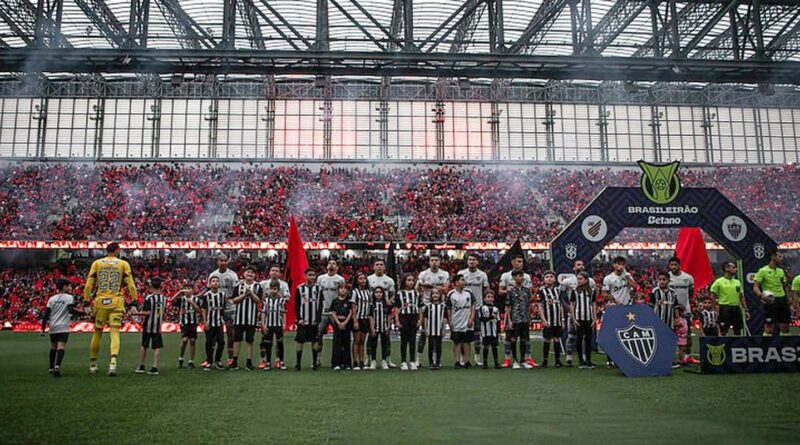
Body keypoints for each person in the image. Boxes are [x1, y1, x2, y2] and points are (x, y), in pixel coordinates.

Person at [83, 242, 138, 376]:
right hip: (116, 302)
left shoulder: (97, 263)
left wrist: (86, 302)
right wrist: (134, 301)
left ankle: (93, 364)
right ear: (117, 250)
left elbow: (88, 286)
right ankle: (113, 363)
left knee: (97, 332)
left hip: (100, 302)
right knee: (114, 332)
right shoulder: (123, 264)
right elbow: (131, 286)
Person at [40, 278, 84, 377]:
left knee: (53, 347)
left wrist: (43, 328)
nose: (70, 288)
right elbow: (71, 310)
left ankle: (51, 367)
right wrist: (83, 313)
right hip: (63, 326)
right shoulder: (68, 298)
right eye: (69, 286)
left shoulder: (52, 299)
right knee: (61, 347)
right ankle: (57, 366)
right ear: (64, 287)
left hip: (53, 326)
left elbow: (46, 314)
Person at [498, 254, 534, 368]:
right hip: (514, 316)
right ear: (513, 262)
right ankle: (511, 359)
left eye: (522, 261)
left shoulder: (527, 280)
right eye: (518, 261)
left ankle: (525, 359)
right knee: (511, 338)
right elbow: (502, 295)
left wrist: (529, 316)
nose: (521, 263)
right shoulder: (506, 278)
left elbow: (529, 299)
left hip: (524, 316)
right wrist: (508, 320)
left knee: (525, 338)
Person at [559, 259, 595, 368]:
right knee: (571, 336)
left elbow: (593, 300)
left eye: (582, 264)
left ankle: (585, 359)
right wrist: (567, 307)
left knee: (585, 338)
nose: (581, 266)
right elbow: (560, 294)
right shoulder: (568, 281)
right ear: (574, 268)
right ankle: (569, 359)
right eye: (578, 264)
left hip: (587, 315)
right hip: (574, 314)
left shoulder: (591, 282)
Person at [415, 254, 450, 366]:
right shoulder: (423, 274)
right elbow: (417, 287)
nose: (434, 262)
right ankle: (418, 359)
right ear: (429, 262)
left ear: (440, 262)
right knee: (424, 334)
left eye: (436, 260)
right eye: (432, 260)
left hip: (440, 307)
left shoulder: (444, 274)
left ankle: (435, 360)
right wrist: (426, 285)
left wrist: (430, 286)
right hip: (426, 306)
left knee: (437, 334)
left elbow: (445, 290)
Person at [458, 253, 490, 366]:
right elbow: (457, 289)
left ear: (477, 262)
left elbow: (486, 290)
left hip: (478, 308)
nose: (471, 261)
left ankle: (477, 357)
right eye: (470, 259)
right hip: (464, 308)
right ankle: (463, 358)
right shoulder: (461, 273)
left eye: (473, 260)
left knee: (477, 333)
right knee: (463, 333)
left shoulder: (482, 275)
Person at [229, 266, 263, 371]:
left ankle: (249, 362)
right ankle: (234, 361)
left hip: (251, 318)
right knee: (237, 339)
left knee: (249, 340)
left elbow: (258, 301)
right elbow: (234, 300)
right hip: (239, 317)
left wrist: (251, 293)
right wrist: (244, 295)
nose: (250, 274)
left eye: (252, 273)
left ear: (255, 275)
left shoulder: (258, 286)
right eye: (248, 272)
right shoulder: (238, 286)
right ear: (244, 274)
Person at [208, 254, 239, 366]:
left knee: (231, 332)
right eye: (221, 260)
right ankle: (211, 359)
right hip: (216, 308)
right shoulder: (213, 275)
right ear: (217, 262)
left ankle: (231, 357)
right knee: (214, 334)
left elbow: (236, 290)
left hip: (230, 307)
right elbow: (209, 289)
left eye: (225, 261)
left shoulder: (232, 275)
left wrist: (231, 299)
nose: (223, 262)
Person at [259, 264, 290, 368]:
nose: (274, 272)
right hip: (267, 316)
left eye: (277, 271)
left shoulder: (284, 284)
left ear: (280, 273)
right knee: (264, 340)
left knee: (279, 342)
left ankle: (278, 360)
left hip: (278, 318)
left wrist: (280, 298)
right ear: (269, 272)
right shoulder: (263, 283)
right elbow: (259, 296)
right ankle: (264, 360)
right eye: (272, 270)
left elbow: (287, 298)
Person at [368, 259, 397, 368]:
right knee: (371, 337)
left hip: (384, 310)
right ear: (373, 267)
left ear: (384, 267)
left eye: (381, 265)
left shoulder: (389, 280)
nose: (379, 266)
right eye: (377, 264)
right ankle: (370, 359)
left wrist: (390, 301)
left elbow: (393, 293)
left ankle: (387, 359)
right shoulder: (369, 279)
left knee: (386, 337)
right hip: (372, 309)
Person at [134, 277, 166, 376]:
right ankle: (155, 366)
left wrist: (137, 313)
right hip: (157, 325)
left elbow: (147, 312)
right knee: (156, 347)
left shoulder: (149, 298)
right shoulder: (163, 298)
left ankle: (142, 365)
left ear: (151, 286)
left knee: (144, 345)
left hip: (148, 325)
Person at [317, 260, 345, 367]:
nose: (331, 265)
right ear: (326, 266)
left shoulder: (340, 279)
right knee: (318, 334)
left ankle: (339, 359)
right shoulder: (321, 278)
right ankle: (318, 358)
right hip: (323, 311)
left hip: (335, 313)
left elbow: (342, 294)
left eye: (334, 264)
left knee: (338, 336)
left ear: (337, 267)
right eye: (330, 263)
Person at [754, 251, 790, 336]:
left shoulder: (781, 271)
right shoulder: (762, 271)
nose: (781, 259)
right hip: (770, 301)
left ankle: (784, 347)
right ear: (773, 257)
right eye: (779, 257)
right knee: (769, 327)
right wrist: (761, 296)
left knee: (785, 327)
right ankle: (766, 346)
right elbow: (755, 287)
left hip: (782, 300)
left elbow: (784, 286)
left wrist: (788, 299)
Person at [505, 270, 534, 369]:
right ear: (514, 277)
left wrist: (529, 317)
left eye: (522, 276)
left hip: (525, 319)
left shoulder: (526, 290)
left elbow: (529, 305)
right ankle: (515, 360)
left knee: (524, 340)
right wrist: (509, 320)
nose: (521, 278)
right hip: (515, 319)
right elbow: (507, 306)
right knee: (513, 339)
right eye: (519, 276)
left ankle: (523, 360)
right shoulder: (510, 291)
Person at [294, 268, 323, 371]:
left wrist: (318, 319)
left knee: (314, 341)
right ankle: (298, 363)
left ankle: (314, 363)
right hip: (303, 321)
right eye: (309, 275)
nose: (312, 277)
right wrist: (299, 318)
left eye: (313, 275)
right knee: (300, 341)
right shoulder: (300, 288)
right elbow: (297, 305)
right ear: (305, 275)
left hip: (314, 321)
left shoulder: (319, 289)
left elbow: (320, 305)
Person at [668, 257, 696, 361]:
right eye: (671, 265)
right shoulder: (667, 277)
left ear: (679, 265)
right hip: (670, 312)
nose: (673, 267)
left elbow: (691, 293)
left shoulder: (688, 278)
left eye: (675, 265)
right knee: (669, 334)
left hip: (685, 311)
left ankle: (688, 356)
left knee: (687, 334)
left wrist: (685, 305)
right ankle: (671, 357)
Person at [710, 261, 748, 336]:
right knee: (723, 330)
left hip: (736, 308)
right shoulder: (719, 282)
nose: (736, 269)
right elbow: (713, 296)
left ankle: (737, 346)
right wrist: (714, 308)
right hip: (724, 308)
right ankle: (724, 346)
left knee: (737, 330)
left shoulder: (737, 282)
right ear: (727, 269)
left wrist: (746, 309)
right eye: (733, 267)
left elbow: (741, 296)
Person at [569, 272, 597, 369]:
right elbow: (572, 305)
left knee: (588, 339)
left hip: (589, 318)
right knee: (579, 339)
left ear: (586, 279)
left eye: (581, 279)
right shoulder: (575, 291)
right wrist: (573, 318)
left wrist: (594, 317)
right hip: (579, 318)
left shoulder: (592, 291)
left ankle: (588, 360)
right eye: (578, 279)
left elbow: (593, 304)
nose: (579, 281)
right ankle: (581, 360)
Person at [447, 275, 476, 369]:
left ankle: (467, 361)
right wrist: (450, 321)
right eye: (462, 280)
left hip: (467, 321)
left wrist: (471, 317)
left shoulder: (469, 292)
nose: (464, 281)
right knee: (457, 342)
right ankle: (457, 361)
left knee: (467, 342)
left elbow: (473, 305)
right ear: (456, 282)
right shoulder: (451, 294)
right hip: (456, 321)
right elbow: (449, 309)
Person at [538, 271, 564, 368]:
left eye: (551, 276)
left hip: (557, 320)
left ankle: (557, 361)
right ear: (544, 279)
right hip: (548, 320)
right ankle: (545, 361)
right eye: (547, 277)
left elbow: (560, 305)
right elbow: (540, 306)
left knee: (557, 339)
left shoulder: (558, 290)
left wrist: (562, 319)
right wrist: (543, 319)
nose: (549, 278)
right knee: (547, 339)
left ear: (555, 278)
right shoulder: (541, 291)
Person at [199, 276, 226, 370]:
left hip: (219, 323)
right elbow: (204, 309)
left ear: (219, 284)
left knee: (221, 342)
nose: (215, 282)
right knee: (209, 342)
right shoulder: (206, 295)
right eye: (213, 281)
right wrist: (205, 321)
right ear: (210, 284)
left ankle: (218, 360)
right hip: (209, 323)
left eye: (217, 281)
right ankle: (209, 361)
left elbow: (223, 308)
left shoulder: (222, 295)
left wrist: (222, 319)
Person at [172, 283, 201, 369]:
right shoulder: (181, 299)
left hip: (193, 323)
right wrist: (180, 291)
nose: (187, 290)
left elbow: (199, 310)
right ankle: (180, 358)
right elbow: (171, 300)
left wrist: (192, 303)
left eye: (189, 288)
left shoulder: (196, 299)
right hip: (184, 323)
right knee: (184, 340)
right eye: (186, 288)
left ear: (192, 290)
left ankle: (191, 361)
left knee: (192, 341)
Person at [396, 273, 420, 370]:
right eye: (408, 280)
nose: (411, 282)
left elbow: (420, 307)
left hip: (413, 317)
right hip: (403, 317)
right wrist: (397, 320)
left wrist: (420, 320)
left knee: (412, 340)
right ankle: (403, 361)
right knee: (404, 340)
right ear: (404, 281)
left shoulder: (416, 293)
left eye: (412, 280)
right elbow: (397, 308)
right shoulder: (400, 293)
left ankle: (412, 361)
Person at [420, 287, 446, 370]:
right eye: (433, 293)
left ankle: (437, 362)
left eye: (437, 293)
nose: (435, 295)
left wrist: (443, 329)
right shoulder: (428, 306)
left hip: (439, 329)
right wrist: (426, 329)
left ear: (440, 295)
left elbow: (444, 319)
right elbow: (426, 318)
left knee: (438, 346)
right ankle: (431, 362)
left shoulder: (443, 307)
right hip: (431, 330)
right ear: (431, 295)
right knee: (431, 346)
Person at [350, 272, 372, 370]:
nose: (363, 280)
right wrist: (354, 320)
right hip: (358, 318)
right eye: (361, 278)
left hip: (365, 318)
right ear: (357, 281)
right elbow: (353, 307)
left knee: (363, 341)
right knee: (356, 341)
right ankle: (355, 361)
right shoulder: (355, 292)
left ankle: (361, 361)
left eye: (364, 278)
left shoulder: (368, 292)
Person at [329, 282, 354, 371]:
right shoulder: (335, 301)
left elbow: (351, 313)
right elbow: (333, 313)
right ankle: (336, 363)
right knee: (337, 344)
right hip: (337, 324)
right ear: (338, 290)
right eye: (341, 288)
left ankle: (347, 363)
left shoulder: (349, 302)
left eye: (345, 288)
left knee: (346, 343)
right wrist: (339, 323)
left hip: (347, 324)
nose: (343, 290)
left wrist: (344, 323)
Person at [367, 286, 391, 370]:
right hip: (375, 327)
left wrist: (388, 326)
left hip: (384, 327)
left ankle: (384, 360)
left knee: (384, 344)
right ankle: (373, 360)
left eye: (380, 292)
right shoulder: (372, 304)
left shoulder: (386, 304)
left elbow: (388, 315)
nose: (378, 294)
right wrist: (372, 328)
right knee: (373, 344)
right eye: (376, 292)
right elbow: (370, 316)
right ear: (374, 294)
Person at [477, 290, 500, 369]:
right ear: (484, 299)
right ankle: (485, 362)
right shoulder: (482, 308)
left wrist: (499, 332)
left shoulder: (496, 309)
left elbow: (498, 321)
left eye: (492, 297)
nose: (490, 299)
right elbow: (481, 319)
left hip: (494, 331)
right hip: (485, 332)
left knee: (494, 347)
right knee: (485, 347)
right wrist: (490, 317)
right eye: (488, 297)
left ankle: (496, 362)